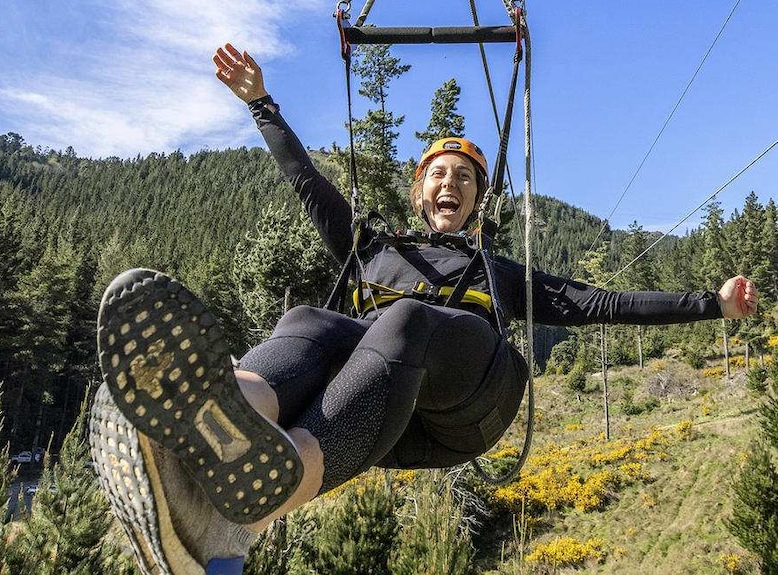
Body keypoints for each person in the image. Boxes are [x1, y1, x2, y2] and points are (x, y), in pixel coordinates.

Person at [88, 43, 759, 575]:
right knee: (307, 320)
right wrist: (261, 102)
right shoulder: (370, 248)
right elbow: (305, 180)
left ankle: (268, 496)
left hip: (473, 402)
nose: (451, 182)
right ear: (419, 192)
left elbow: (600, 302)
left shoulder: (493, 268)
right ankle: (226, 411)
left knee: (402, 320)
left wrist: (714, 303)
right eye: (439, 173)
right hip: (383, 409)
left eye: (464, 178)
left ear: (475, 202)